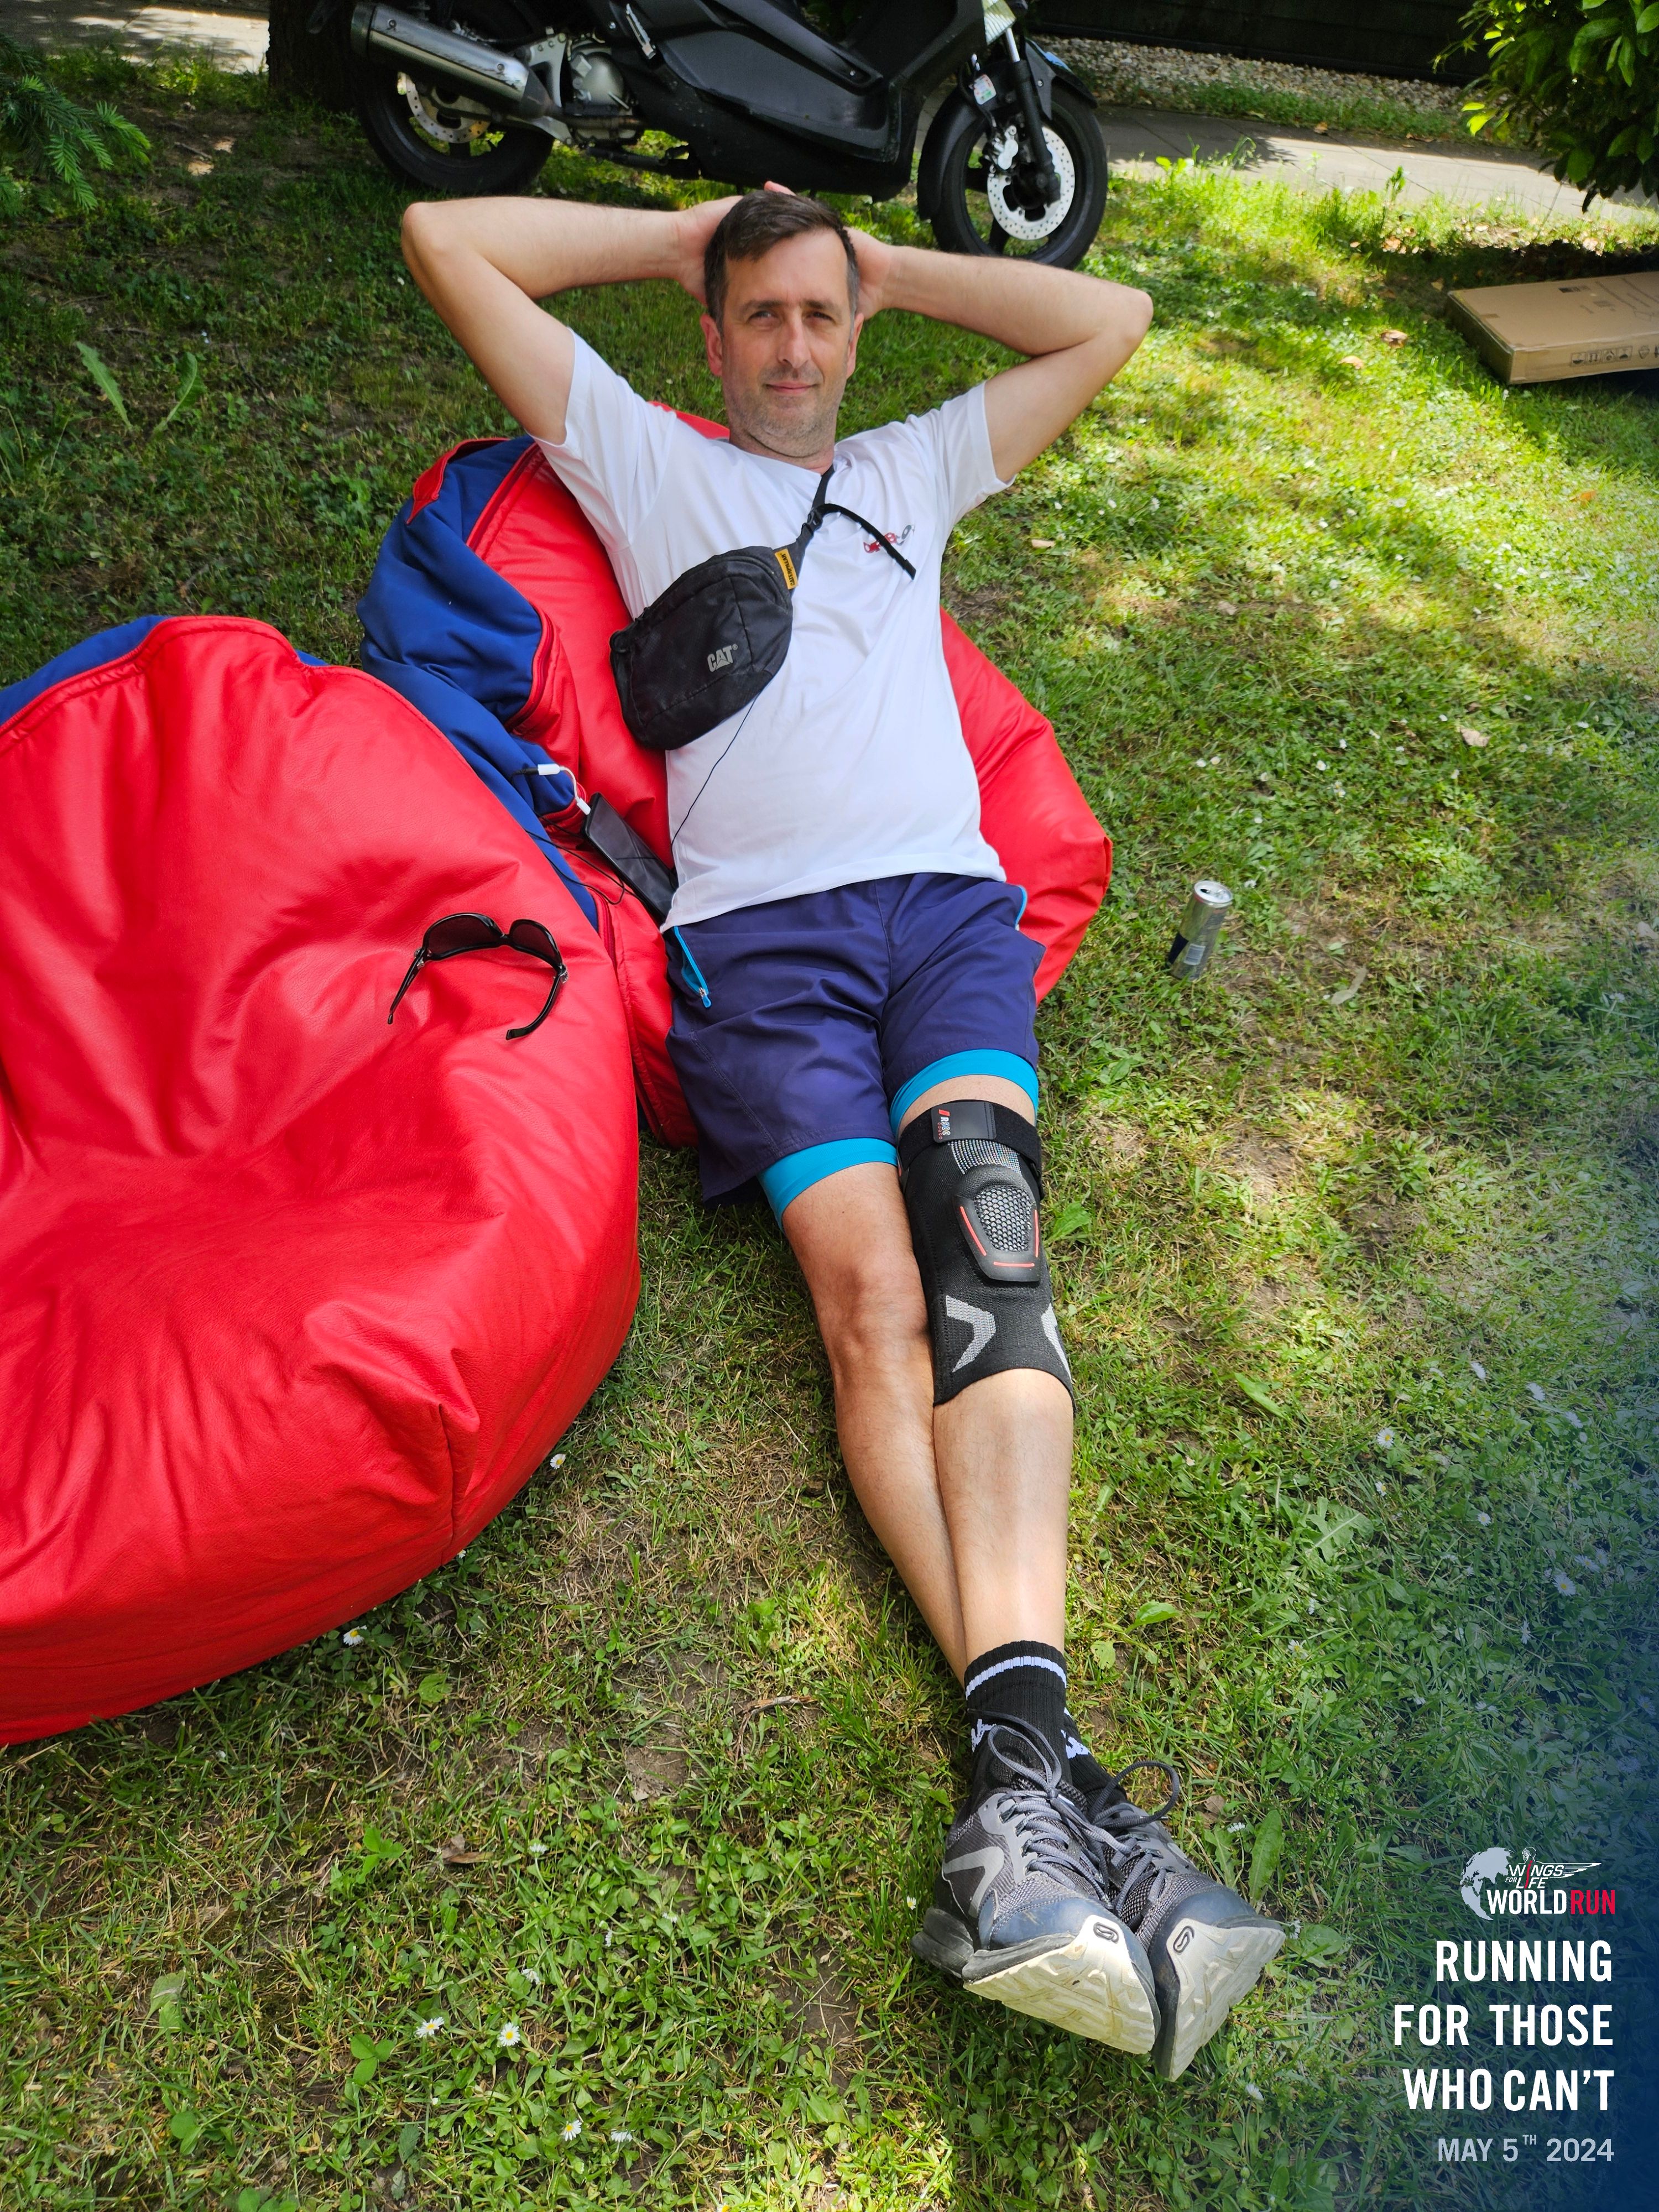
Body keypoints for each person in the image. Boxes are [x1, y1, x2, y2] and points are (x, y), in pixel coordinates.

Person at [401, 182, 1281, 2078]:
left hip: (950, 922)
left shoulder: (914, 467)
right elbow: (441, 236)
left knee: (992, 1247)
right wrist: (681, 237)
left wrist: (885, 268)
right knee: (874, 1304)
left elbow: (1109, 317)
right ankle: (1062, 1787)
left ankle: (1020, 1787)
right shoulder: (647, 465)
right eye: (764, 316)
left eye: (821, 315)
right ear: (713, 337)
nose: (795, 348)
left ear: (855, 330)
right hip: (764, 955)